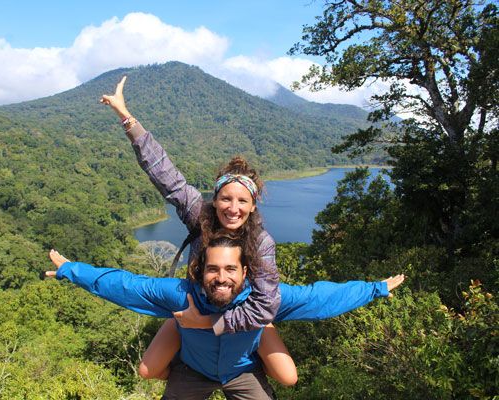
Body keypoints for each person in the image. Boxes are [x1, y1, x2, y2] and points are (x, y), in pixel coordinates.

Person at [46, 234, 405, 400]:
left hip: (241, 371)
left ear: (245, 271)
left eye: (231, 269)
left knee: (288, 378)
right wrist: (72, 271)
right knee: (151, 365)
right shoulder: (182, 294)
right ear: (200, 270)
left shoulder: (265, 299)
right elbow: (126, 286)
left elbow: (320, 297)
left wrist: (374, 289)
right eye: (213, 269)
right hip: (194, 370)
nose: (222, 277)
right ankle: (181, 329)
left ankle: (261, 331)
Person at [99, 75, 290, 382]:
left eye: (242, 201)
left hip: (236, 318)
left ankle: (247, 362)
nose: (233, 208)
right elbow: (166, 175)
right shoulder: (201, 215)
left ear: (253, 206)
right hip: (194, 306)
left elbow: (266, 304)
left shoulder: (261, 242)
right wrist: (126, 118)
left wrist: (211, 324)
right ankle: (189, 367)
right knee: (150, 370)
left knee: (287, 376)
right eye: (225, 199)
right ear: (214, 200)